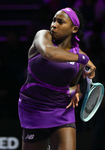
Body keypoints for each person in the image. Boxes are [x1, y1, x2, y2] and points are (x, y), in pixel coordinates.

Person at [18, 7, 96, 150]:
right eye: (54, 20)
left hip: (62, 108)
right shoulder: (43, 36)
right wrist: (84, 58)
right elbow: (49, 53)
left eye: (60, 22)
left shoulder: (77, 57)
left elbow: (73, 84)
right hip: (34, 108)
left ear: (74, 29)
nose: (54, 25)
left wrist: (75, 91)